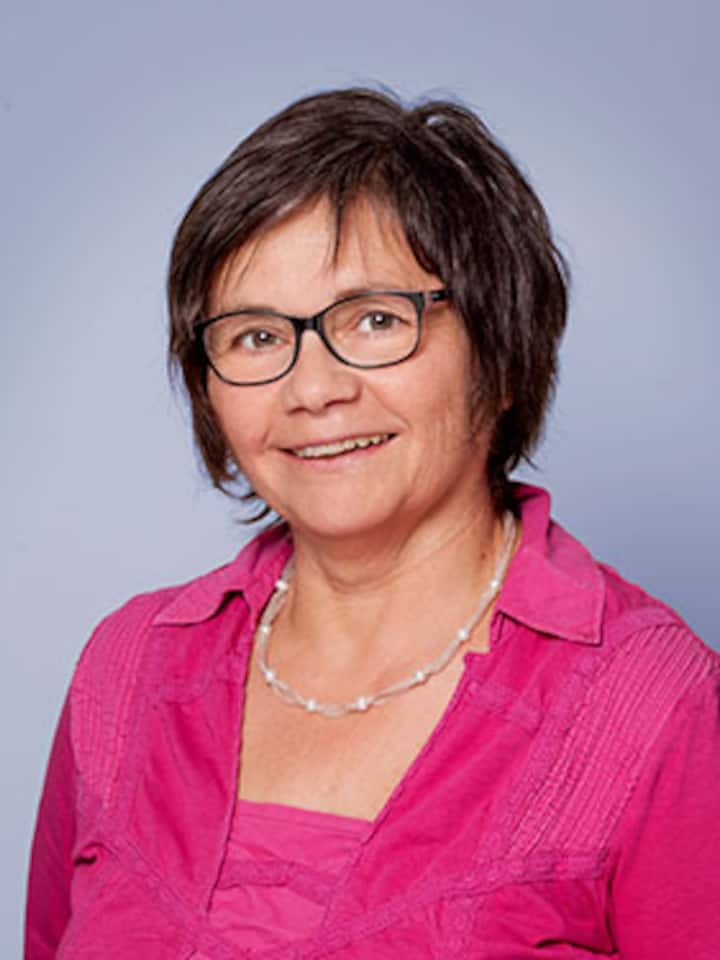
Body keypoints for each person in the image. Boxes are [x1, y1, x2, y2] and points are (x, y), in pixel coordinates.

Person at [25, 88, 720, 959]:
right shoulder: (127, 670)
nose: (313, 389)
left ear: (503, 349)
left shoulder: (654, 704)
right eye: (255, 337)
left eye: (377, 320)